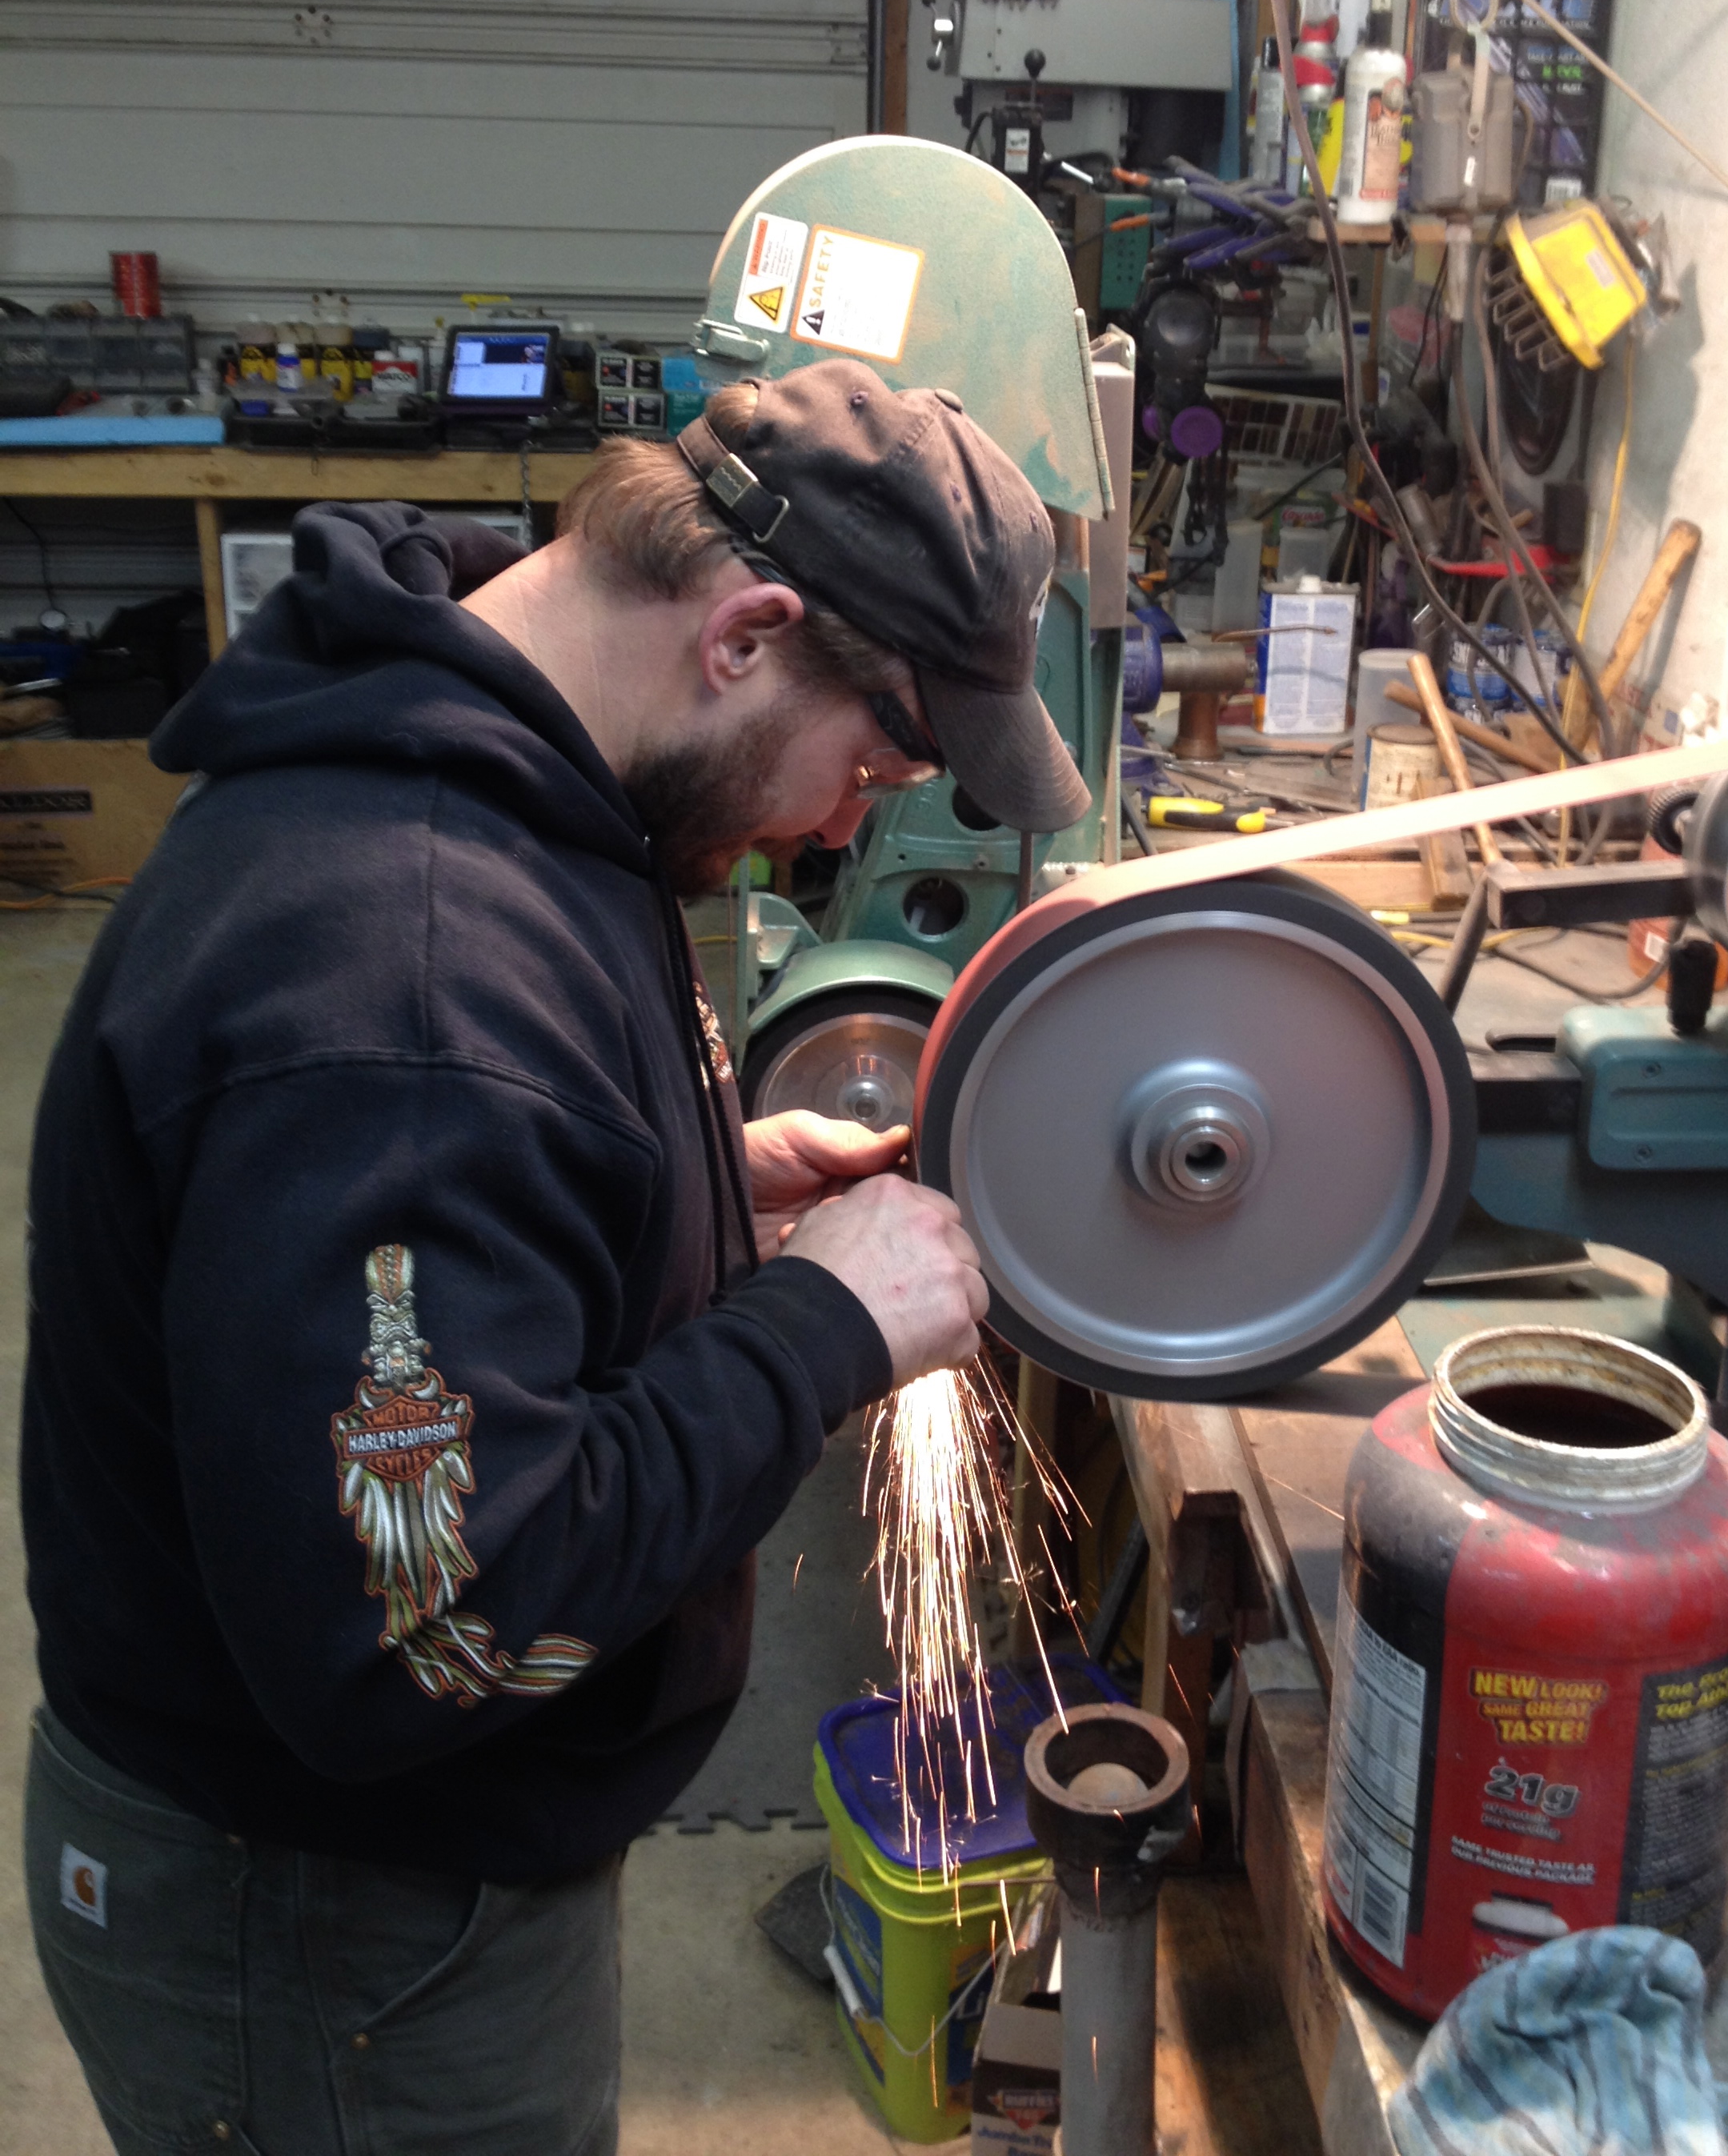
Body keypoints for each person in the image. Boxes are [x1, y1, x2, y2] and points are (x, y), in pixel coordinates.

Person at [19, 356, 1093, 2156]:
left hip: (421, 1874)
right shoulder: (404, 984)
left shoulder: (526, 766)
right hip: (336, 1929)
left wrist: (699, 1198)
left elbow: (471, 1197)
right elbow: (425, 1636)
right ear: (745, 635)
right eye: (877, 762)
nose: (845, 824)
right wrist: (813, 1332)